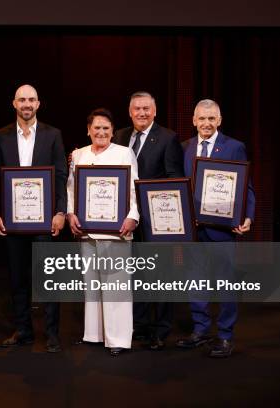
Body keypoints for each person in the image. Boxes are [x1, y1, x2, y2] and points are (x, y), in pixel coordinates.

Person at [0, 85, 67, 353]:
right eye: (22, 99)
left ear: (38, 104)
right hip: (12, 220)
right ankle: (23, 330)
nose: (26, 104)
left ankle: (52, 333)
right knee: (17, 277)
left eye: (31, 99)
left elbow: (60, 176)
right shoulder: (0, 136)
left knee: (47, 276)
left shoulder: (52, 135)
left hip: (44, 219)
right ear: (14, 103)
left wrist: (60, 212)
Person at [176, 99, 255, 358]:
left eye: (212, 118)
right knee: (195, 281)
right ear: (194, 120)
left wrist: (248, 218)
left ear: (219, 121)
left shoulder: (234, 147)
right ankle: (200, 330)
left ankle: (224, 336)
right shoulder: (184, 148)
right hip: (194, 231)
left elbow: (247, 188)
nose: (206, 123)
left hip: (222, 229)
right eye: (202, 118)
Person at [113, 91, 184, 350]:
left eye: (146, 109)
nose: (141, 113)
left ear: (154, 112)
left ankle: (161, 330)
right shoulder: (119, 136)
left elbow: (174, 178)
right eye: (136, 109)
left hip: (157, 219)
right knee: (135, 273)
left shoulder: (168, 138)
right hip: (126, 218)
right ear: (130, 112)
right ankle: (140, 325)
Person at [66, 108, 139, 356]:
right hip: (87, 231)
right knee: (92, 284)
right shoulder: (78, 155)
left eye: (106, 128)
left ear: (112, 131)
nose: (101, 132)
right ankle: (95, 334)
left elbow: (133, 189)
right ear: (88, 130)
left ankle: (117, 339)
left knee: (116, 285)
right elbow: (71, 190)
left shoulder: (124, 153)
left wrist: (132, 217)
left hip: (116, 230)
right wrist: (70, 214)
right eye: (96, 127)